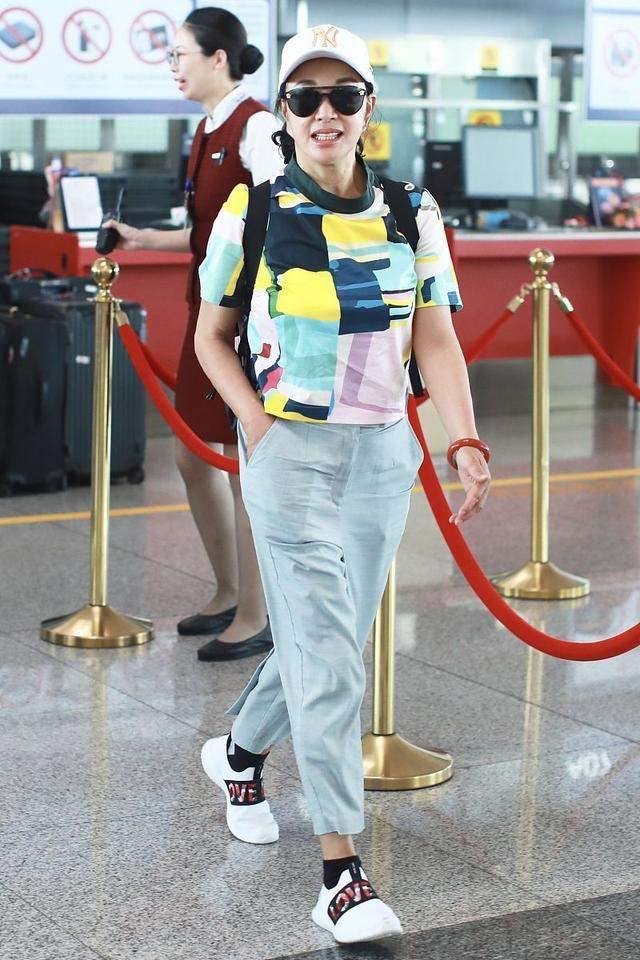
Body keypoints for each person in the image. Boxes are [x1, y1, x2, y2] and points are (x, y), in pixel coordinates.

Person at [194, 24, 491, 944]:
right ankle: (342, 875)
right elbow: (211, 336)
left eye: (343, 96)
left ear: (369, 107)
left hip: (382, 458)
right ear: (284, 112)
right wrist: (257, 425)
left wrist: (462, 439)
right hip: (289, 457)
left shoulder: (411, 210)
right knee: (330, 658)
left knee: (330, 638)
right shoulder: (254, 210)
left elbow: (435, 335)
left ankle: (238, 751)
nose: (325, 113)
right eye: (305, 98)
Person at [105, 8, 283, 661]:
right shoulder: (206, 129)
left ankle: (260, 614)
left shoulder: (255, 127)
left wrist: (255, 309)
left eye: (180, 55)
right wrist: (142, 239)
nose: (173, 67)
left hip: (242, 319)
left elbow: (280, 215)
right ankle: (230, 591)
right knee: (192, 456)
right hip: (207, 311)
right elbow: (211, 232)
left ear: (218, 58)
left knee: (242, 462)